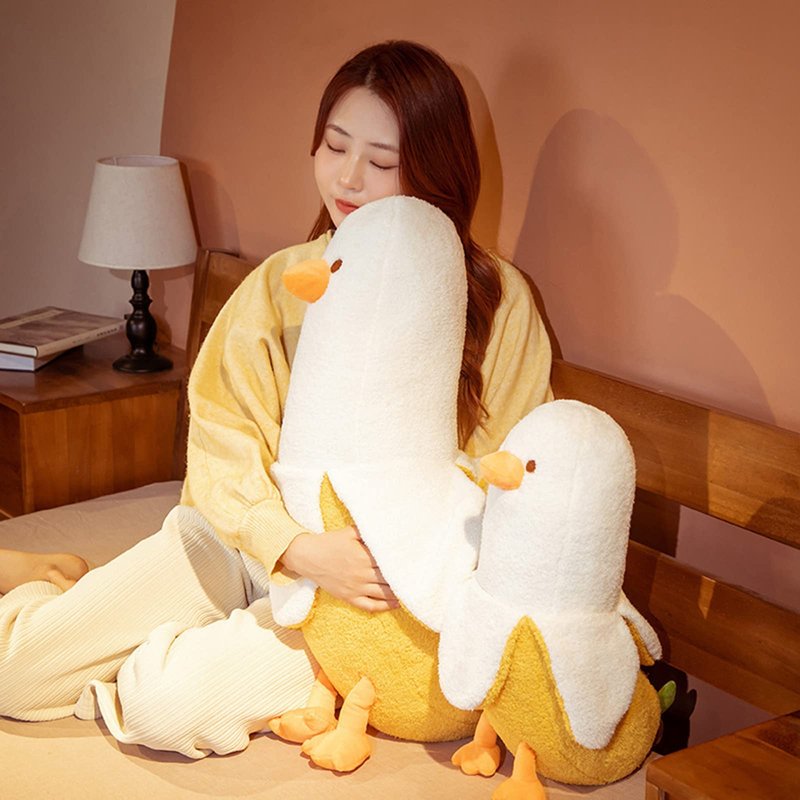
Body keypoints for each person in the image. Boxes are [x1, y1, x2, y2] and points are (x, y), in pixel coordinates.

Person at [0, 40, 552, 756]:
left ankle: (141, 646)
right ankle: (46, 584)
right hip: (240, 540)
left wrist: (397, 555)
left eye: (382, 161)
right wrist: (293, 546)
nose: (347, 177)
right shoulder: (285, 282)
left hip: (364, 601)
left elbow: (507, 478)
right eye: (334, 146)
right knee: (14, 674)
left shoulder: (499, 305)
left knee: (161, 702)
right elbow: (223, 435)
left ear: (435, 168)